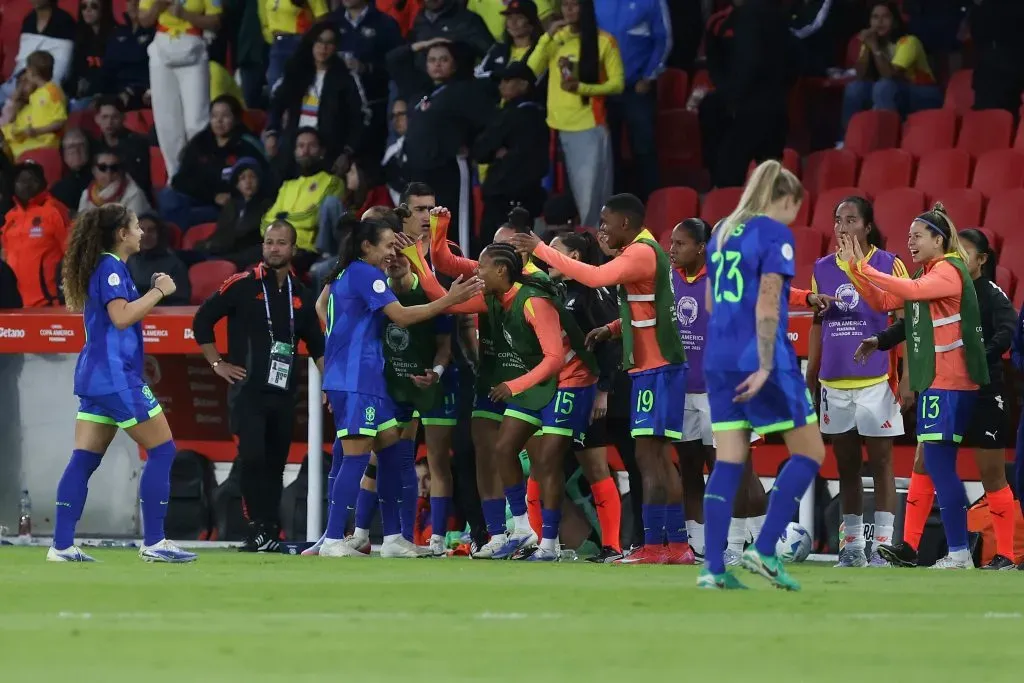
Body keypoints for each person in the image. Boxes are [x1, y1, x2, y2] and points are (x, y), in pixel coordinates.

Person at [511, 193, 692, 565]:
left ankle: (662, 545)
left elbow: (594, 276)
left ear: (626, 223)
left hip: (657, 370)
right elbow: (646, 308)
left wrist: (542, 250)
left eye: (607, 222)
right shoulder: (644, 253)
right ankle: (672, 545)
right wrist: (611, 328)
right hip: (654, 367)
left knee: (651, 458)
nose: (602, 230)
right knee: (654, 457)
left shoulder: (641, 253)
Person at [403, 225, 600, 562]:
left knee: (548, 462)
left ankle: (549, 545)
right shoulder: (494, 295)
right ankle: (521, 529)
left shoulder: (536, 300)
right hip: (530, 384)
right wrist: (417, 258)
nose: (475, 271)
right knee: (502, 448)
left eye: (481, 266)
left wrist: (513, 385)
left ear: (501, 270)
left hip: (566, 382)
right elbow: (445, 300)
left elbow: (554, 359)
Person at [310, 218, 481, 558]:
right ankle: (331, 538)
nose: (393, 252)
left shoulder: (345, 275)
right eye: (388, 245)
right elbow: (401, 316)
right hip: (356, 379)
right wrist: (450, 300)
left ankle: (392, 539)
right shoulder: (363, 274)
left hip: (367, 378)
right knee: (356, 459)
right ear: (366, 246)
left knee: (392, 452)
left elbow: (323, 309)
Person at [697, 160, 825, 590]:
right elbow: (768, 304)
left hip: (718, 355)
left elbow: (713, 303)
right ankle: (766, 549)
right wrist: (767, 363)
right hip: (760, 356)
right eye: (795, 208)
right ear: (784, 199)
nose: (795, 218)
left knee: (729, 458)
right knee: (810, 452)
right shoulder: (774, 234)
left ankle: (713, 568)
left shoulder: (721, 233)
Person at [840, 203, 989, 570]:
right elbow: (884, 300)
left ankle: (957, 553)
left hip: (949, 384)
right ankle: (954, 552)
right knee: (937, 466)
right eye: (907, 236)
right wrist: (855, 272)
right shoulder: (930, 273)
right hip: (937, 382)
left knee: (939, 467)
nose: (910, 242)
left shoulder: (949, 271)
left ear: (939, 239)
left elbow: (904, 288)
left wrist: (864, 267)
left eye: (918, 235)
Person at [48, 204, 197, 563]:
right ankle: (156, 542)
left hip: (95, 376)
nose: (142, 232)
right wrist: (159, 290)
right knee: (163, 450)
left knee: (84, 459)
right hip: (115, 376)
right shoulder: (111, 267)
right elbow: (121, 317)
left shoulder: (107, 266)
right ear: (121, 234)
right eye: (135, 226)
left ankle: (62, 545)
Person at [866, 228, 1018, 570]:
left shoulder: (989, 293)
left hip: (984, 390)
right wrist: (882, 339)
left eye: (967, 254)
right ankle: (909, 546)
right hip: (949, 386)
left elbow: (1009, 329)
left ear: (982, 260)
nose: (959, 259)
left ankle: (1005, 554)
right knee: (925, 460)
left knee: (991, 473)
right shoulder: (943, 283)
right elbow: (913, 323)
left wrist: (980, 357)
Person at [192, 221, 326, 551]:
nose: (274, 248)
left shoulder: (302, 296)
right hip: (247, 392)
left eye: (281, 243)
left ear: (293, 249)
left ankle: (269, 529)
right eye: (269, 242)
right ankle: (256, 528)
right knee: (252, 459)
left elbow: (318, 347)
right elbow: (202, 321)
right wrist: (216, 363)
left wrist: (331, 387)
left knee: (276, 464)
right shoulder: (242, 284)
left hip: (283, 394)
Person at [805, 196, 908, 568]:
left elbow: (905, 321)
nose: (842, 226)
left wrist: (908, 379)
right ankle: (851, 549)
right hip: (834, 382)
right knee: (846, 467)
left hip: (877, 379)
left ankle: (882, 549)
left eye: (850, 220)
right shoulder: (821, 267)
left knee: (881, 464)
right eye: (837, 220)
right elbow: (817, 323)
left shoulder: (888, 264)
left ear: (867, 226)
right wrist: (812, 372)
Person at [667, 217, 768, 566]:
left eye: (681, 243)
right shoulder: (670, 280)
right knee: (690, 468)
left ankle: (740, 544)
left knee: (732, 469)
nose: (673, 249)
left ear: (701, 246)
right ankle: (699, 545)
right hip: (683, 390)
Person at [544, 230, 624, 561]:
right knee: (583, 466)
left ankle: (546, 543)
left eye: (554, 250)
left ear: (574, 257)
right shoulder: (574, 289)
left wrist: (603, 391)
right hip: (572, 389)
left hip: (582, 392)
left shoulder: (589, 292)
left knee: (556, 463)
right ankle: (609, 546)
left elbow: (611, 342)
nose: (547, 257)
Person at [527, 0, 624, 229]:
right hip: (556, 126)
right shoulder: (557, 39)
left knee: (591, 199)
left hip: (588, 125)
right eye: (565, 5)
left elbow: (617, 84)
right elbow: (531, 68)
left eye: (575, 5)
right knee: (566, 199)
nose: (569, 10)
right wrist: (547, 36)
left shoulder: (603, 40)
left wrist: (582, 88)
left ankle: (595, 248)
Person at [388, 38, 494, 244]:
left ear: (454, 64)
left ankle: (463, 266)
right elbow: (394, 59)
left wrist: (473, 148)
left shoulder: (465, 90)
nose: (437, 64)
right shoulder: (420, 90)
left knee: (452, 223)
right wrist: (428, 42)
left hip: (448, 169)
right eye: (432, 59)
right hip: (418, 170)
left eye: (443, 59)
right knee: (421, 226)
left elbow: (488, 123)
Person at [595, 0, 672, 201]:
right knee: (607, 150)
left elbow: (663, 39)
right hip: (603, 89)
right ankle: (614, 204)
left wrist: (648, 76)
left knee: (644, 147)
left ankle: (653, 201)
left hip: (636, 88)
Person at [264, 22, 365, 176]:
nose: (323, 48)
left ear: (335, 47)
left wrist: (347, 152)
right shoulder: (295, 73)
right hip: (294, 150)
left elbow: (359, 118)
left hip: (329, 152)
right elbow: (276, 104)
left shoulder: (346, 79)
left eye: (329, 43)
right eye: (319, 41)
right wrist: (272, 132)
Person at [471, 61, 549, 251]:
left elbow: (480, 151)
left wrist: (496, 153)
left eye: (507, 80)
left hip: (503, 196)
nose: (501, 85)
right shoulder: (541, 114)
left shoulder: (511, 114)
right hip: (529, 195)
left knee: (493, 250)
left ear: (523, 84)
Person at [139, 0, 221, 179]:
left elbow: (216, 20)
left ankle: (201, 175)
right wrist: (158, 5)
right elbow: (143, 19)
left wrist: (185, 15)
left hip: (193, 51)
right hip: (163, 50)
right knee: (166, 122)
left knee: (196, 122)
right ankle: (175, 176)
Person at [840, 1, 941, 136]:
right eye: (875, 17)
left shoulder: (909, 41)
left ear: (894, 21)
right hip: (893, 91)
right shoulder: (872, 41)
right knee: (854, 88)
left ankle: (886, 138)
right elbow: (860, 76)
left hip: (924, 93)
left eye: (885, 17)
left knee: (884, 86)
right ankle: (848, 138)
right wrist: (866, 48)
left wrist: (875, 48)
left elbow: (889, 75)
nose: (879, 22)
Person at [330, 0, 405, 165]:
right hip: (337, 108)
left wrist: (367, 68)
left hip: (374, 107)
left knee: (369, 168)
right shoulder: (330, 22)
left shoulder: (385, 24)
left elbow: (399, 66)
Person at [261, 128, 344, 274]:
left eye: (311, 146)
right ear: (295, 152)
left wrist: (282, 220)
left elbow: (312, 218)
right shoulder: (288, 185)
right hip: (278, 246)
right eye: (301, 146)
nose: (305, 150)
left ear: (322, 151)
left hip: (307, 250)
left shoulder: (332, 182)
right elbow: (265, 222)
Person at [0, 162, 69, 308]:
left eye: (32, 179)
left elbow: (71, 253)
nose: (27, 184)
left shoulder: (54, 211)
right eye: (21, 180)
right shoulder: (10, 218)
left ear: (42, 182)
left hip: (49, 304)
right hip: (15, 306)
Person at [201, 157, 275, 268]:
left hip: (245, 253)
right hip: (222, 250)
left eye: (252, 177)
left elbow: (250, 235)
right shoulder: (231, 205)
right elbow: (220, 233)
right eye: (243, 178)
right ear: (237, 184)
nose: (248, 182)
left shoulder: (266, 205)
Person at [0, 51, 68, 161]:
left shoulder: (53, 91)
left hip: (44, 143)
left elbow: (60, 121)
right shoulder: (36, 94)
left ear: (31, 72)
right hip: (31, 140)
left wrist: (37, 131)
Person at [474, 0, 544, 91]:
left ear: (531, 22)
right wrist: (496, 76)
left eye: (519, 18)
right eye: (509, 18)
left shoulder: (540, 50)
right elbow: (477, 75)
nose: (513, 23)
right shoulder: (498, 49)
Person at [264, 0, 329, 97]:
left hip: (298, 42)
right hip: (277, 43)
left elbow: (322, 17)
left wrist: (308, 39)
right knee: (274, 88)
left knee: (298, 88)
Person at [93, 96, 153, 201]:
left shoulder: (138, 143)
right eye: (105, 117)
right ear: (97, 119)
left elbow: (142, 182)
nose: (109, 122)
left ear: (123, 117)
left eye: (114, 117)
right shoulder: (94, 147)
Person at [99, 0, 154, 111]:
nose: (133, 4)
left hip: (143, 92)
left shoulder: (156, 33)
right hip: (115, 90)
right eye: (129, 0)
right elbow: (107, 68)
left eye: (139, 1)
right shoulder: (118, 32)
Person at [127, 213, 190, 305]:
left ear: (160, 234)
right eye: (141, 230)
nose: (146, 235)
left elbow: (180, 301)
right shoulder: (127, 261)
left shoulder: (175, 264)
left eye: (151, 230)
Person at [68, 0, 115, 111]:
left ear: (104, 9)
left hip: (106, 94)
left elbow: (111, 73)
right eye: (84, 6)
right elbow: (75, 71)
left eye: (94, 6)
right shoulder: (79, 36)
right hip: (81, 96)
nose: (88, 10)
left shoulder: (115, 35)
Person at [80, 149, 153, 216]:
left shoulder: (134, 194)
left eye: (114, 167)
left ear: (121, 171)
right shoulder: (86, 195)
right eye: (102, 167)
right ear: (94, 170)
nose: (109, 172)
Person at [50, 129, 93, 214]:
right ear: (63, 154)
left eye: (81, 145)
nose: (76, 151)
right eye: (70, 147)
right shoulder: (57, 189)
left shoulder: (104, 176)